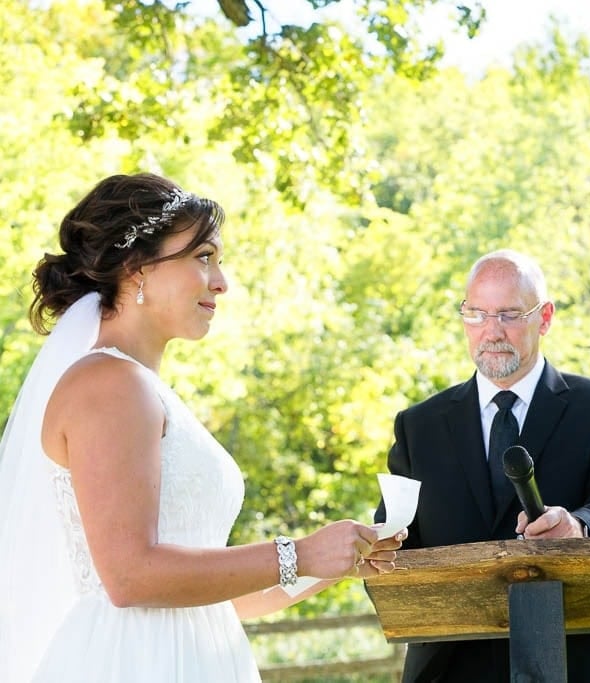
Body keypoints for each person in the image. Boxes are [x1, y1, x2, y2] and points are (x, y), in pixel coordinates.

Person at [0, 173, 405, 682]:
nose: (221, 282)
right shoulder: (109, 383)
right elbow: (129, 576)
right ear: (137, 267)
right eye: (203, 257)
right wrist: (297, 551)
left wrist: (328, 562)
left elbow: (225, 601)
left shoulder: (143, 387)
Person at [375, 249, 590, 682]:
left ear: (544, 318)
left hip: (582, 662)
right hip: (450, 669)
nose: (491, 331)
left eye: (508, 314)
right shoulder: (418, 427)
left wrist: (579, 528)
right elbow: (394, 537)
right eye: (477, 315)